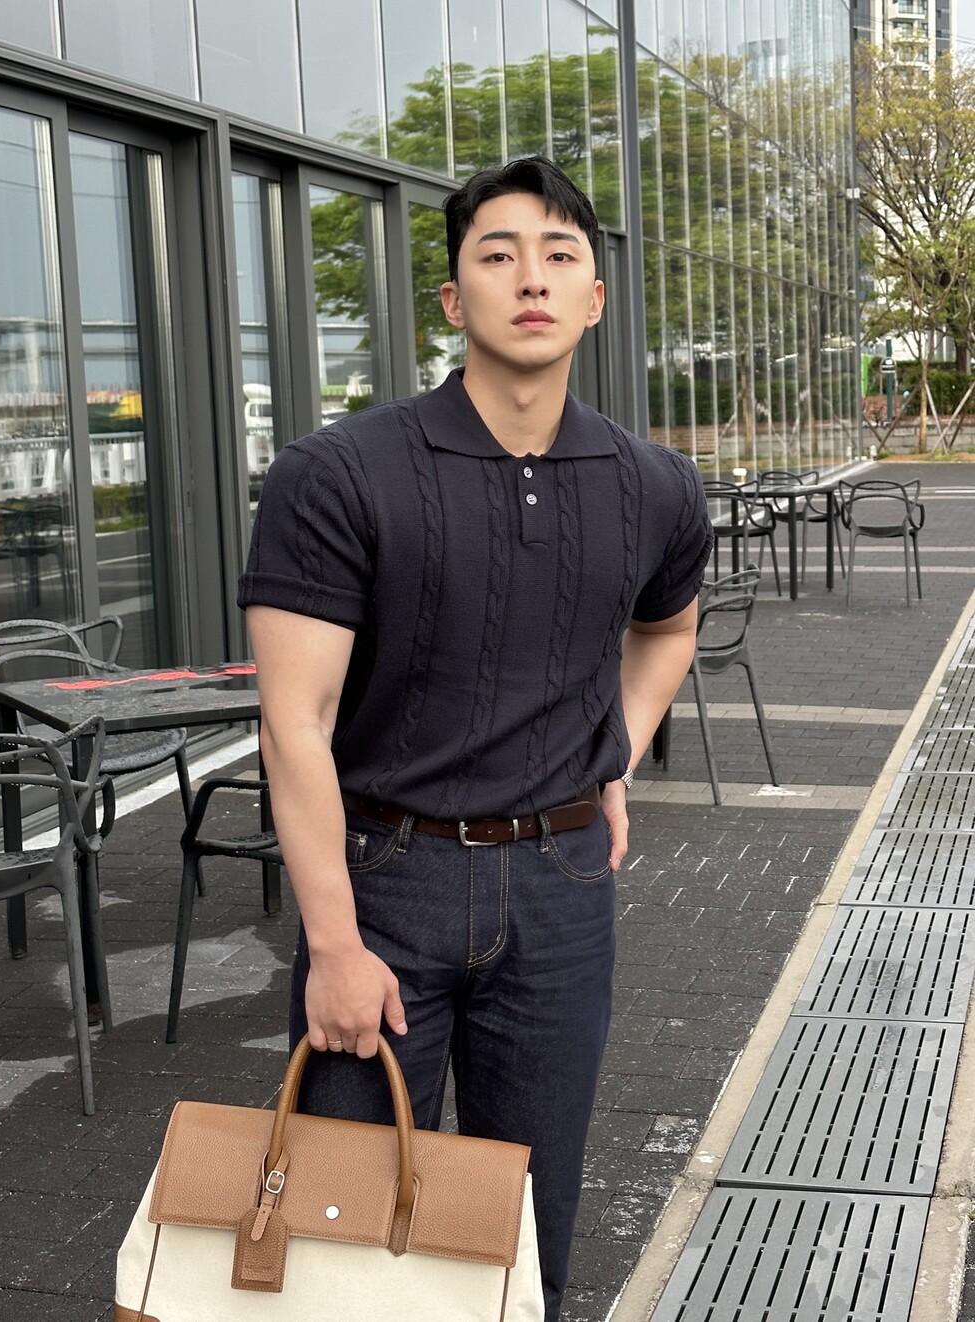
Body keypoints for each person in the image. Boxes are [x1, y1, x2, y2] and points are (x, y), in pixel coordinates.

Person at [238, 155, 712, 1320]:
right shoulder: (338, 473)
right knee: (345, 1231)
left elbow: (668, 628)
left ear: (594, 297)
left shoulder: (654, 484)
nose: (530, 279)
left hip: (561, 891)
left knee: (525, 1232)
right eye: (498, 255)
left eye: (559, 256)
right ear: (453, 299)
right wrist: (333, 943)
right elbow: (293, 721)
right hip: (384, 881)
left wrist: (608, 750)